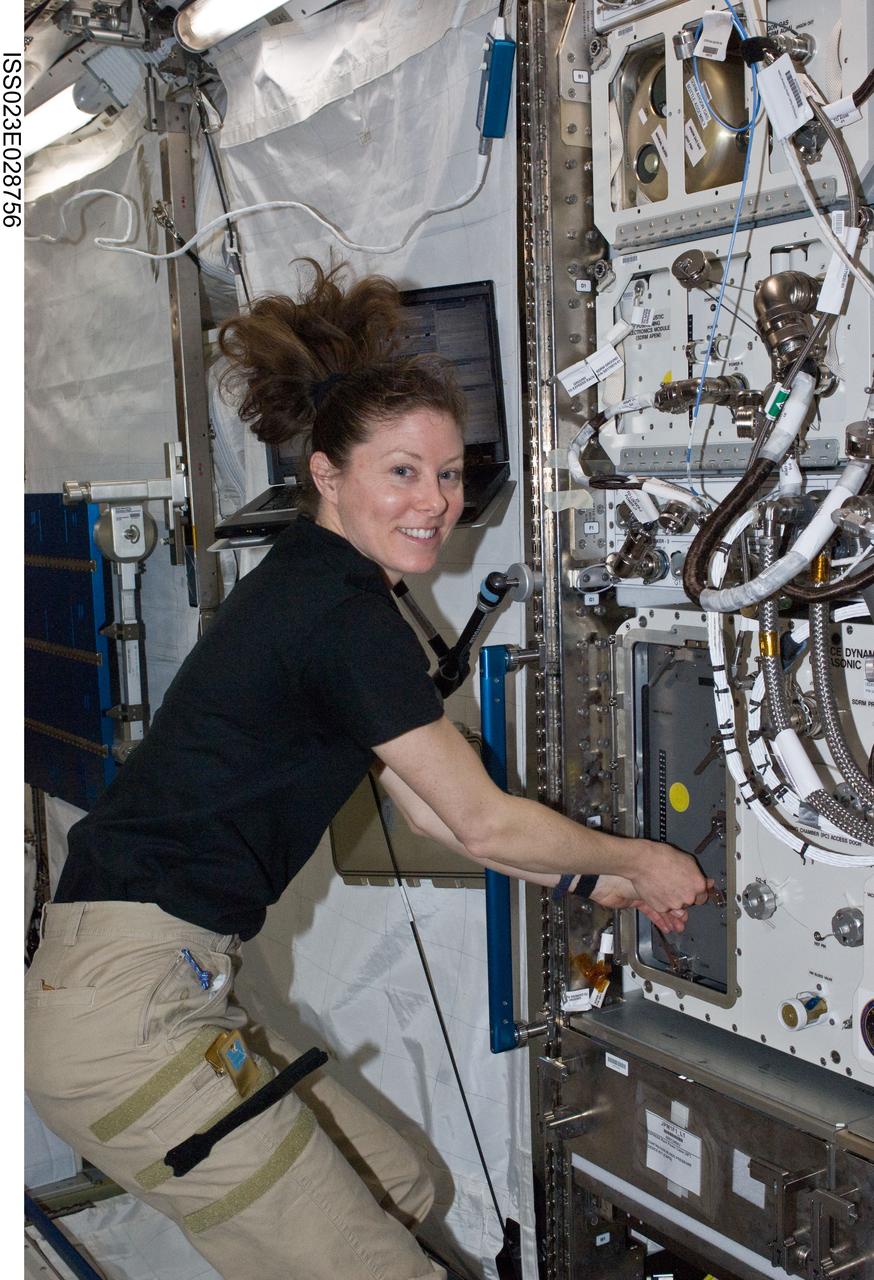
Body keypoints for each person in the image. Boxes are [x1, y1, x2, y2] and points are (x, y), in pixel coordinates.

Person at [25, 261, 710, 1280]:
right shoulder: (341, 614)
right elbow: (478, 819)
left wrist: (585, 874)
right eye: (402, 471)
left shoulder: (331, 590)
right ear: (327, 473)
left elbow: (430, 812)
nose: (436, 500)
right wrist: (645, 858)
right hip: (129, 1011)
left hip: (167, 975)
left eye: (447, 470)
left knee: (407, 1188)